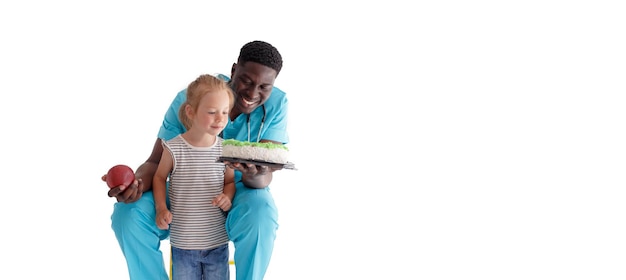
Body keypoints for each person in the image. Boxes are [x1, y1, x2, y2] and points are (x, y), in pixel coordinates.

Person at [105, 40, 288, 280]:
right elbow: (155, 163)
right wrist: (136, 183)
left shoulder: (277, 104)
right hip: (186, 189)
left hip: (239, 192)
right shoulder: (193, 98)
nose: (253, 93)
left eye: (265, 86)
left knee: (261, 213)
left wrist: (255, 174)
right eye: (246, 81)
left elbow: (265, 175)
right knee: (128, 216)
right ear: (234, 71)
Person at [153, 74, 236, 280]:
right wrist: (161, 208)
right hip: (183, 245)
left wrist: (227, 196)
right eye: (211, 112)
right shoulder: (173, 148)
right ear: (191, 111)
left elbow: (230, 181)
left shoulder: (225, 149)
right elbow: (159, 178)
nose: (220, 118)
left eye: (225, 112)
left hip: (216, 242)